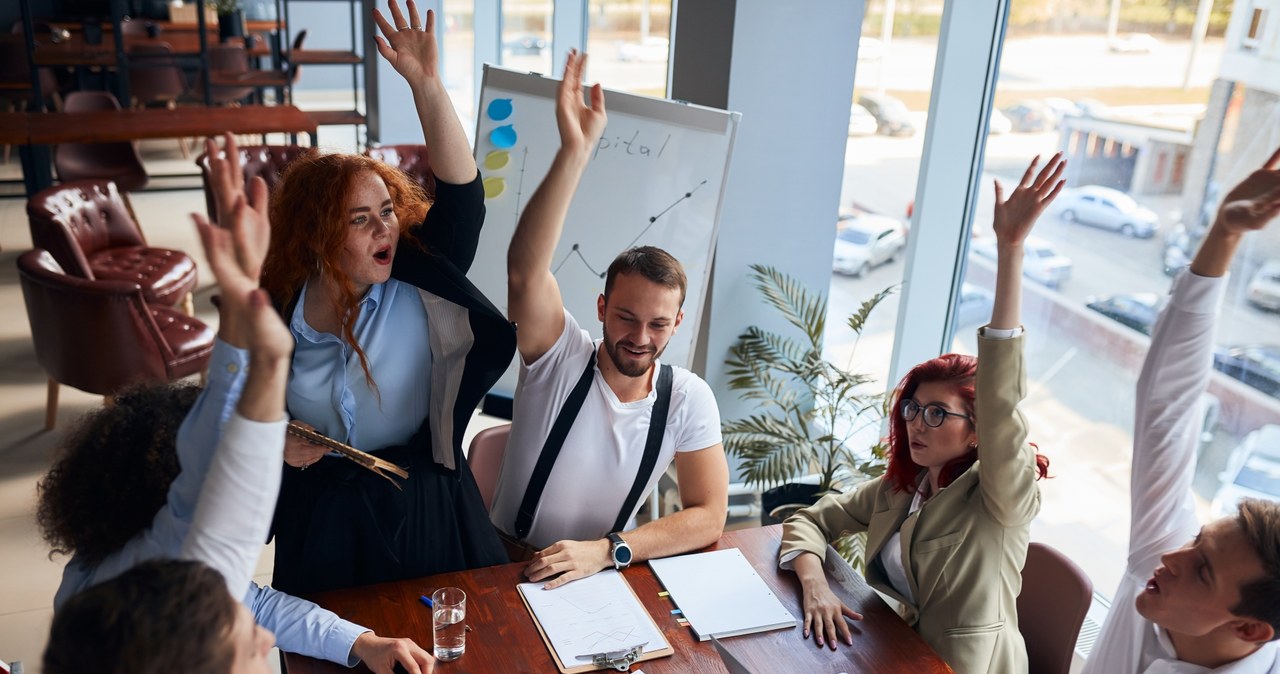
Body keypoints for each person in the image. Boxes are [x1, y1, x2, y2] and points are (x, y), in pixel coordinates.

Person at [37, 135, 435, 674]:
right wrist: (253, 324)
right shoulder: (168, 580)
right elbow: (224, 486)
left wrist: (362, 642)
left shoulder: (140, 582)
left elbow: (259, 599)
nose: (258, 643)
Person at [257, 0, 511, 595]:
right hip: (321, 511)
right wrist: (273, 444)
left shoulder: (418, 278)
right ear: (320, 235)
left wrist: (426, 85)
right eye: (362, 219)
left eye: (389, 212)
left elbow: (464, 200)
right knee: (330, 648)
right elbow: (231, 416)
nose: (386, 230)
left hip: (419, 497)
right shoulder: (277, 310)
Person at [778, 154, 1064, 673]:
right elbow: (810, 519)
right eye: (913, 407)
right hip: (890, 653)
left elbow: (1002, 406)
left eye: (938, 414)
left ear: (978, 433)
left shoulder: (999, 501)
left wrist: (1010, 251)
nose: (916, 422)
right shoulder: (903, 486)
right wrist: (815, 584)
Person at [42, 151, 295, 673]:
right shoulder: (162, 600)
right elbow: (224, 513)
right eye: (245, 645)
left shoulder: (114, 610)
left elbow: (215, 506)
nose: (265, 641)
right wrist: (264, 353)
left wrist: (248, 319)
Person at [490, 51, 729, 589]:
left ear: (678, 321)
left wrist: (609, 550)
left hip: (597, 577)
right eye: (625, 317)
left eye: (659, 325)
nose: (640, 338)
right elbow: (526, 274)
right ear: (601, 308)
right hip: (502, 566)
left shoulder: (687, 399)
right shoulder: (560, 357)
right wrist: (575, 152)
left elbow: (709, 515)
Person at [1082, 150, 1280, 673]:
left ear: (1249, 630)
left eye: (1202, 571)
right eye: (1197, 541)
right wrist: (1225, 233)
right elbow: (1167, 404)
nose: (1171, 558)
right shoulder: (1161, 562)